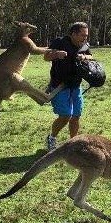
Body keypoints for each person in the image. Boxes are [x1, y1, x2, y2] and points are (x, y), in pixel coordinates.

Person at [44, 22, 92, 150]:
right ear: (73, 34)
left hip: (76, 85)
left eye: (86, 35)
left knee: (76, 116)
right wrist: (56, 54)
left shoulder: (84, 45)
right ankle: (52, 138)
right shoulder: (60, 42)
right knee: (65, 116)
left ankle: (73, 143)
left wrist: (84, 56)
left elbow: (91, 56)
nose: (85, 38)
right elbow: (46, 57)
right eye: (82, 35)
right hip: (60, 85)